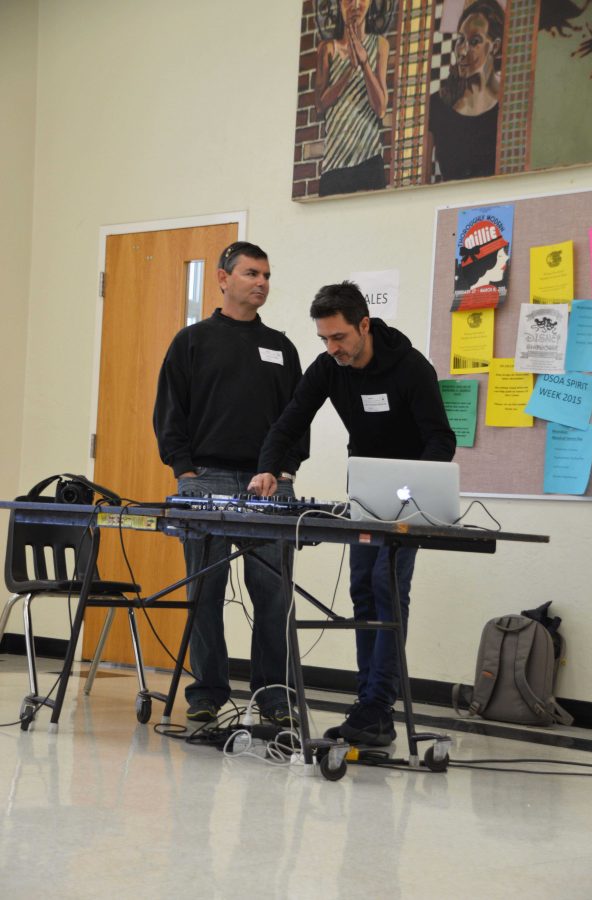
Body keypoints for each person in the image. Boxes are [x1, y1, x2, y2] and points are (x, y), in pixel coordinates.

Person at [248, 282, 456, 746]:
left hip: (409, 499)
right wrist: (267, 469)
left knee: (388, 590)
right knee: (362, 591)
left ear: (364, 324)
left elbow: (441, 438)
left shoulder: (410, 368)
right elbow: (289, 422)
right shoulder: (329, 368)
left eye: (338, 337)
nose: (331, 347)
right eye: (324, 338)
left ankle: (378, 706)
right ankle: (370, 704)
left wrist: (417, 487)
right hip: (364, 493)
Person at [153, 241, 308, 725]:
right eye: (250, 273)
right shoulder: (192, 341)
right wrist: (186, 472)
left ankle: (275, 696)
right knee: (206, 590)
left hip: (269, 485)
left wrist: (286, 473)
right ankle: (207, 693)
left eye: (266, 274)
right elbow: (169, 412)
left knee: (273, 592)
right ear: (223, 279)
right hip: (207, 479)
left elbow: (297, 418)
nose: (261, 282)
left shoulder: (282, 347)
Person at [315, 0, 390, 196]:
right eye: (348, 0)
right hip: (335, 163)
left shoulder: (380, 45)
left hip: (369, 160)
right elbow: (320, 106)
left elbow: (380, 107)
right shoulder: (327, 48)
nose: (355, 5)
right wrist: (349, 69)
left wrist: (364, 64)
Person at [426, 0, 505, 182]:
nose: (462, 50)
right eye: (461, 39)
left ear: (495, 46)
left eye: (474, 41)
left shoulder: (508, 107)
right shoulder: (437, 106)